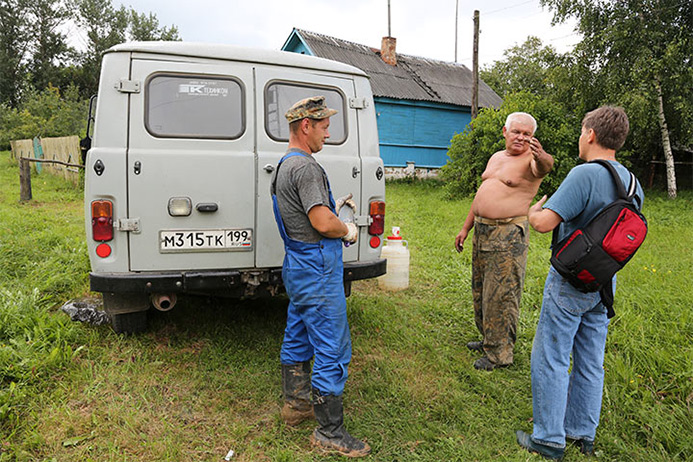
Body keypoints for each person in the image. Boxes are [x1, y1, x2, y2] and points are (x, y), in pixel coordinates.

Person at [515, 106, 644, 460]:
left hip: (570, 282)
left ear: (590, 134)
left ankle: (548, 438)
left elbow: (543, 223)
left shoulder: (584, 174)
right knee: (590, 360)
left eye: (581, 130)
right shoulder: (633, 183)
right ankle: (582, 432)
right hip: (604, 286)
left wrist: (532, 212)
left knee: (552, 356)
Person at [270, 96, 370, 458]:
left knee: (298, 332)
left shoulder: (284, 165)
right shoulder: (307, 168)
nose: (328, 132)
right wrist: (345, 228)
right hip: (317, 266)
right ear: (306, 126)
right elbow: (320, 221)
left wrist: (332, 210)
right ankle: (330, 431)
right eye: (324, 126)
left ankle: (296, 405)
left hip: (297, 264)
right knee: (333, 345)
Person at [455, 112, 554, 371]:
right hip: (482, 230)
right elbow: (481, 194)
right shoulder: (496, 157)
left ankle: (500, 354)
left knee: (501, 293)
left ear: (533, 138)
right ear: (505, 132)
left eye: (527, 134)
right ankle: (489, 338)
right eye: (517, 131)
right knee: (481, 289)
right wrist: (466, 228)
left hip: (508, 233)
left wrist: (542, 156)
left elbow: (544, 166)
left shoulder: (531, 160)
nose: (521, 137)